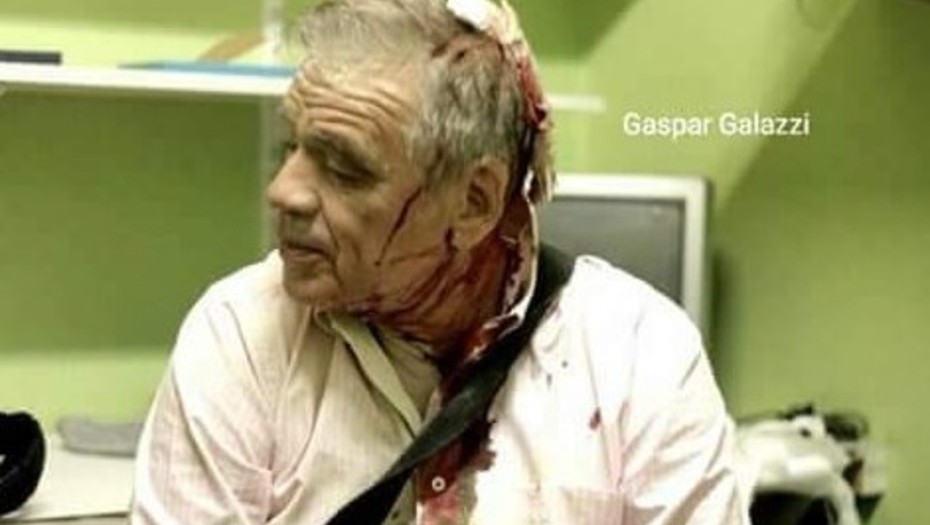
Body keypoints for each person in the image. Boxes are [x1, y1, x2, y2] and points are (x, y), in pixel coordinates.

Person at [131, 0, 750, 523]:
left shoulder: (641, 357)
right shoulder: (243, 331)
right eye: (292, 146)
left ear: (474, 202)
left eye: (344, 167)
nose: (284, 192)